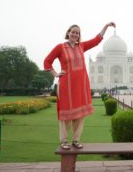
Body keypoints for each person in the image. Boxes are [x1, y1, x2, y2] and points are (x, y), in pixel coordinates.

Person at [44, 22, 116, 150]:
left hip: (81, 85)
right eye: (73, 32)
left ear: (79, 35)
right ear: (68, 33)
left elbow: (96, 40)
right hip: (66, 85)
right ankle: (63, 141)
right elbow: (47, 60)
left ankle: (76, 140)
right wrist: (55, 74)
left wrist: (105, 27)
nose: (75, 34)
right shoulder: (60, 47)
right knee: (66, 113)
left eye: (77, 33)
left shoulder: (81, 46)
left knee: (80, 115)